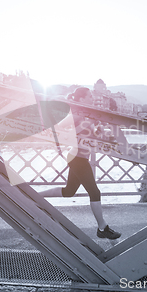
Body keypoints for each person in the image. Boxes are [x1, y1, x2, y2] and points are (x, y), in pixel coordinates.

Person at [39, 87, 121, 240]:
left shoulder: (86, 116)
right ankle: (102, 228)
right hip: (76, 157)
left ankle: (35, 197)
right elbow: (57, 129)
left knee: (69, 191)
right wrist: (78, 130)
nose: (92, 98)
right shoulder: (76, 115)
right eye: (90, 95)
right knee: (95, 192)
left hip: (80, 157)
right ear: (82, 99)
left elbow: (95, 135)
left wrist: (105, 135)